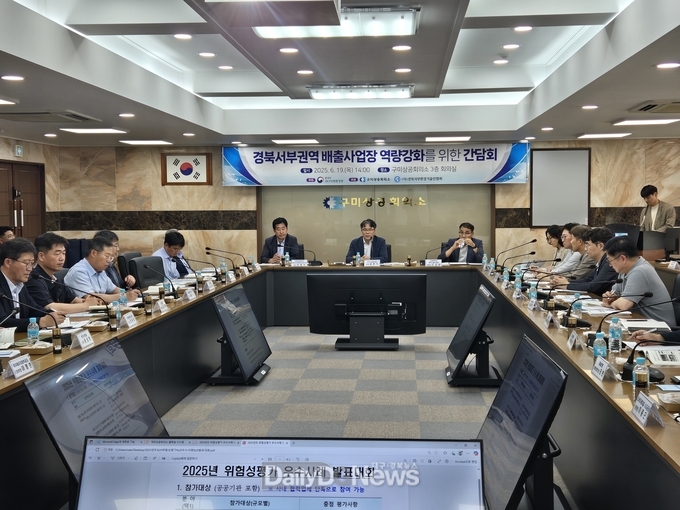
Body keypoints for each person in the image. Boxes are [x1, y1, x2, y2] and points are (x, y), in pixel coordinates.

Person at [601, 236, 676, 326]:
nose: (609, 264)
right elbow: (614, 296)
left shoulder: (640, 271)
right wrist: (608, 297)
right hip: (642, 322)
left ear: (623, 259)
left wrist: (611, 304)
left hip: (660, 327)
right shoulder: (624, 271)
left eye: (609, 260)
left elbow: (624, 305)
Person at [26, 233, 101, 312]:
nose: (62, 258)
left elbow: (73, 300)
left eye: (64, 253)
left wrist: (92, 302)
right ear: (41, 256)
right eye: (57, 254)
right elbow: (49, 307)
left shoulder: (55, 278)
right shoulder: (33, 278)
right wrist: (85, 306)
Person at [0, 238, 64, 331]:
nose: (30, 268)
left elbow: (33, 309)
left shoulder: (20, 285)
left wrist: (51, 314)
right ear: (8, 262)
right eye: (26, 263)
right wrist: (41, 322)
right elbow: (2, 322)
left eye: (32, 263)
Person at [65, 236, 141, 303]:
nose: (109, 261)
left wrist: (130, 293)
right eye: (107, 256)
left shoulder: (100, 270)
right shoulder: (78, 272)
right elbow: (92, 298)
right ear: (94, 253)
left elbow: (113, 289)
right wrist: (123, 296)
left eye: (111, 257)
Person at [550, 227, 617, 296]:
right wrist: (565, 283)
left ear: (600, 246)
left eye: (588, 245)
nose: (585, 248)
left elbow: (594, 286)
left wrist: (567, 285)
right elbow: (587, 279)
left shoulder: (609, 263)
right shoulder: (602, 261)